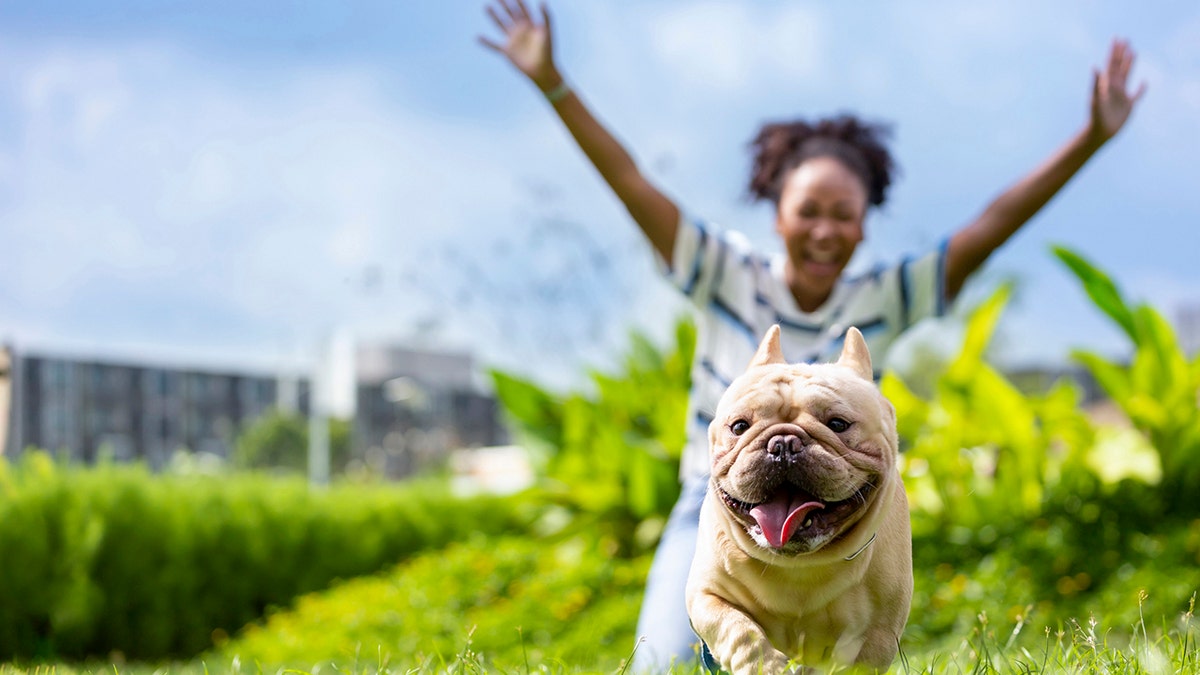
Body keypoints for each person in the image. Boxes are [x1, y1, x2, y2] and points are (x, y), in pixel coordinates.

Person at [479, 1, 1144, 670]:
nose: (824, 229)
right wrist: (552, 82)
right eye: (809, 211)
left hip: (845, 506)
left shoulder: (884, 296)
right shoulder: (726, 273)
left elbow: (991, 224)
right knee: (663, 659)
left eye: (842, 215)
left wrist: (1089, 139)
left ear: (864, 224)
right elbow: (629, 181)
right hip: (713, 500)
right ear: (778, 214)